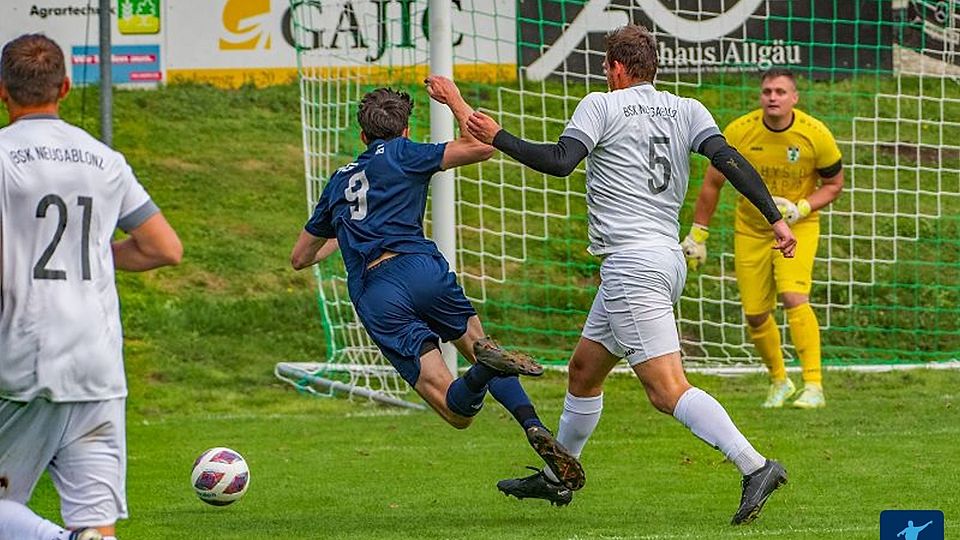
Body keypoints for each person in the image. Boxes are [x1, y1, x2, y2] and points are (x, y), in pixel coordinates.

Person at [464, 25, 795, 524]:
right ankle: (558, 478)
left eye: (605, 66)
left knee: (666, 389)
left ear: (615, 67)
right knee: (583, 372)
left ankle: (755, 466)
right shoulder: (688, 108)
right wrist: (775, 218)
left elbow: (560, 162)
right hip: (664, 258)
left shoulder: (602, 105)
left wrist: (497, 137)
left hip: (631, 266)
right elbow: (728, 160)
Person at [289, 80, 585, 491]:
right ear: (405, 130)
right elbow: (482, 146)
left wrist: (344, 233)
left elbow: (301, 257)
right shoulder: (407, 152)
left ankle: (482, 371)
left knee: (455, 411)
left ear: (362, 135)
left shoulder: (339, 181)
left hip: (378, 292)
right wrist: (453, 100)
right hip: (423, 270)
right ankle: (531, 422)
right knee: (482, 344)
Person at [0, 34, 183, 540]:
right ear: (64, 85)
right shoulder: (104, 159)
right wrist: (96, 256)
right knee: (96, 525)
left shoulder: (2, 158)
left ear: (3, 92)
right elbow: (164, 247)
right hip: (98, 363)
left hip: (24, 357)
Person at [683, 67, 843, 409]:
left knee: (793, 296)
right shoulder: (740, 131)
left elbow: (834, 185)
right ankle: (779, 381)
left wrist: (801, 208)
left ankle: (814, 385)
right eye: (767, 91)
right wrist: (698, 234)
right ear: (761, 96)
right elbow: (712, 183)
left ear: (794, 98)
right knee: (755, 314)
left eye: (781, 92)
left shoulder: (816, 135)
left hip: (798, 227)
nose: (773, 97)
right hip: (751, 230)